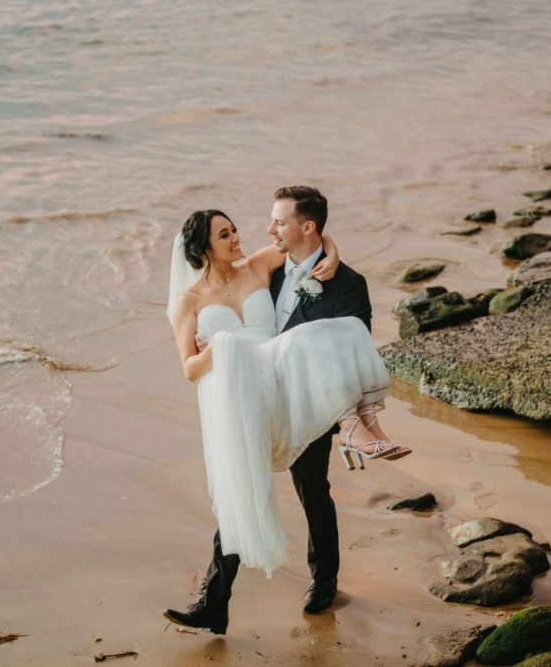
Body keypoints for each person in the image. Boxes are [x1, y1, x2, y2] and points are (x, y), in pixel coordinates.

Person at [163, 186, 409, 635]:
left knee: (313, 488)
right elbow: (189, 368)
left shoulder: (264, 268)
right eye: (225, 234)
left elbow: (311, 244)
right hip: (241, 400)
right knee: (240, 491)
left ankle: (324, 579)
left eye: (235, 230)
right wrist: (221, 347)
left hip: (298, 397)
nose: (240, 237)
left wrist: (332, 252)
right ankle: (214, 603)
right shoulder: (194, 300)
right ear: (202, 249)